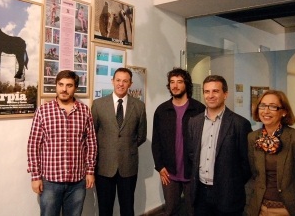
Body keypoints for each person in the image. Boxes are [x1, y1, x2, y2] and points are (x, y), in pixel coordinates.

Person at [27, 70, 97, 216]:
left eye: (69, 85)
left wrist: (90, 171)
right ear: (56, 86)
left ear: (75, 88)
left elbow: (91, 142)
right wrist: (35, 176)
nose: (64, 89)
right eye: (61, 84)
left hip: (77, 181)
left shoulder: (84, 111)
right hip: (50, 181)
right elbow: (34, 145)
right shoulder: (43, 111)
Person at [187, 75, 252, 216]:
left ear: (225, 94)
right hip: (200, 193)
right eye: (207, 91)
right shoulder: (194, 122)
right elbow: (192, 154)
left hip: (228, 194)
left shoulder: (240, 124)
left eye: (215, 91)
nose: (210, 96)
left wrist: (232, 183)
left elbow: (247, 163)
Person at [247, 90, 295, 216]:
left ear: (284, 112)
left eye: (273, 107)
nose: (266, 111)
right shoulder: (253, 138)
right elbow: (255, 175)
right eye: (262, 105)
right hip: (259, 209)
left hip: (289, 210)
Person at [91, 67, 147, 216]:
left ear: (130, 83)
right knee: (104, 208)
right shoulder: (98, 105)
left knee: (127, 208)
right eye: (118, 80)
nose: (121, 84)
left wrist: (126, 148)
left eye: (125, 81)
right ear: (112, 81)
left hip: (128, 166)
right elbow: (92, 135)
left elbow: (141, 136)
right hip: (104, 166)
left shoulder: (139, 106)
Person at [152, 68, 206, 216]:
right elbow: (156, 141)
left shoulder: (199, 109)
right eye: (172, 82)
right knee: (171, 211)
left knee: (194, 211)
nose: (175, 86)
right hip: (169, 172)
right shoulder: (162, 110)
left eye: (179, 82)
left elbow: (206, 141)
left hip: (193, 172)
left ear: (186, 84)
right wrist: (159, 165)